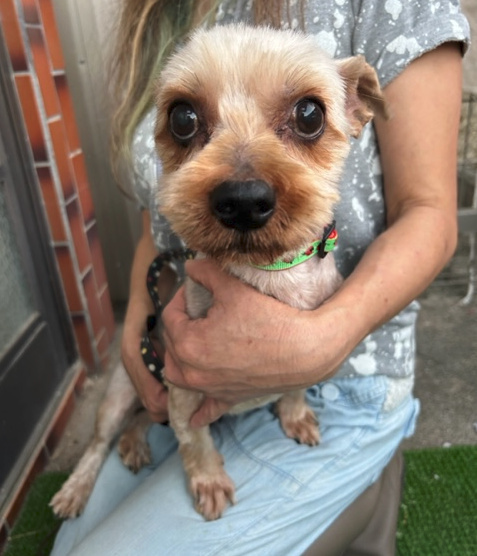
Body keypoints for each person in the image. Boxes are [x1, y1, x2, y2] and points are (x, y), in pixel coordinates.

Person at [52, 1, 470, 554]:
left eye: (306, 118)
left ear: (355, 107)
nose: (243, 187)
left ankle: (316, 433)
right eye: (187, 122)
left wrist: (316, 353)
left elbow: (431, 212)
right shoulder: (156, 16)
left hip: (349, 379)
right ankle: (105, 450)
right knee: (71, 541)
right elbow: (157, 225)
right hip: (185, 379)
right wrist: (137, 323)